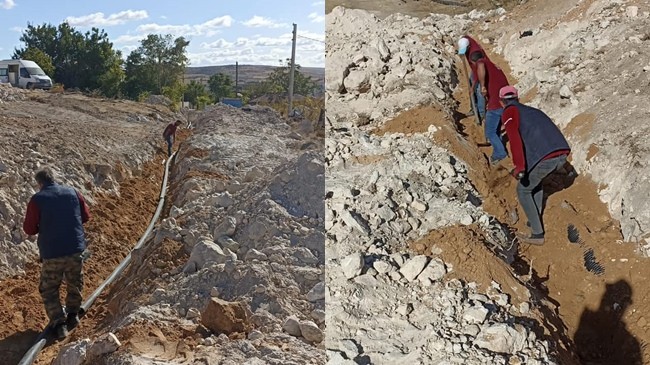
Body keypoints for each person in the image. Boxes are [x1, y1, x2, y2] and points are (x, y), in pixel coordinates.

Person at [23, 167, 91, 339]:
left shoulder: (37, 199)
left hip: (52, 253)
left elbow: (29, 229)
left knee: (49, 288)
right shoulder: (73, 192)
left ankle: (59, 323)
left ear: (39, 183)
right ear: (54, 178)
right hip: (75, 249)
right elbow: (85, 216)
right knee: (75, 281)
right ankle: (73, 314)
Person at [498, 86, 571, 245]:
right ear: (517, 98)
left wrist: (519, 167)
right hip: (560, 152)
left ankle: (537, 234)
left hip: (547, 156)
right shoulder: (532, 111)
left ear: (501, 102)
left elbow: (515, 141)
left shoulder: (509, 113)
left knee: (523, 189)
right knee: (535, 184)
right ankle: (534, 219)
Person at [469, 50, 510, 165]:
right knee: (496, 129)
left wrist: (482, 87)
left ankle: (500, 154)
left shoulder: (482, 63)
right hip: (505, 101)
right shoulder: (493, 67)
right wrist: (473, 87)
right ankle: (500, 147)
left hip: (497, 103)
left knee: (490, 131)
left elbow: (480, 66)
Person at [458, 36, 488, 121]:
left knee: (478, 90)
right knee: (471, 83)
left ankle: (481, 114)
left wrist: (473, 86)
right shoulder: (466, 39)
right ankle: (473, 109)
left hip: (481, 70)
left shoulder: (475, 55)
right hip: (475, 69)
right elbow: (464, 36)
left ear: (468, 47)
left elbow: (477, 74)